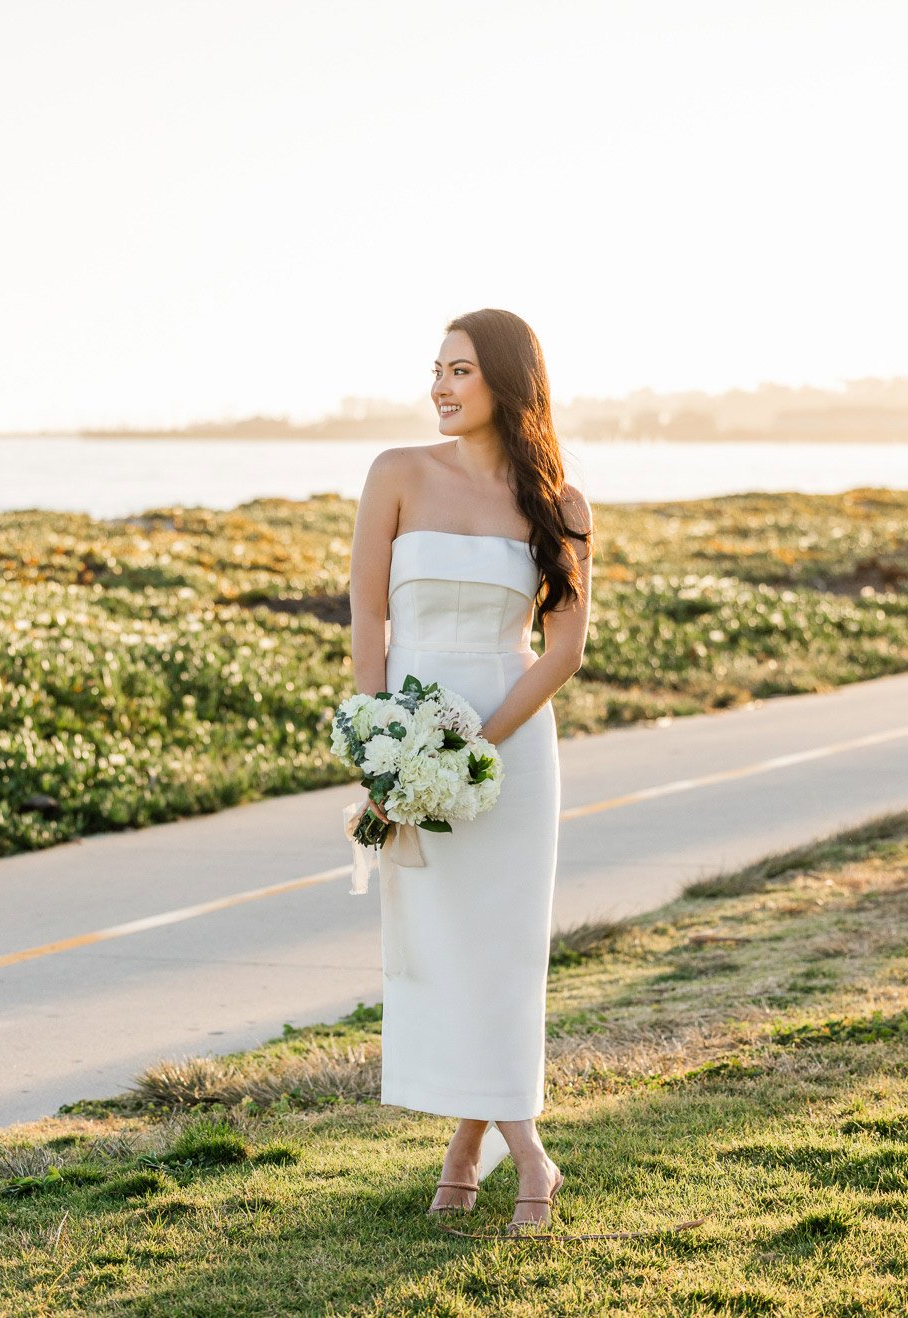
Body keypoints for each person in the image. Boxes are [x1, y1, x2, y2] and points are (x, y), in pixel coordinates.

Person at [346, 307, 594, 1235]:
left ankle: (496, 1150)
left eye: (461, 370)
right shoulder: (396, 475)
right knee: (442, 951)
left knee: (502, 954)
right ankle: (498, 1150)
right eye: (435, 370)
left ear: (505, 381)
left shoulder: (561, 505)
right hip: (408, 743)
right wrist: (382, 748)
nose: (441, 387)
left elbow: (562, 652)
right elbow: (368, 620)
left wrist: (478, 744)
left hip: (512, 751)